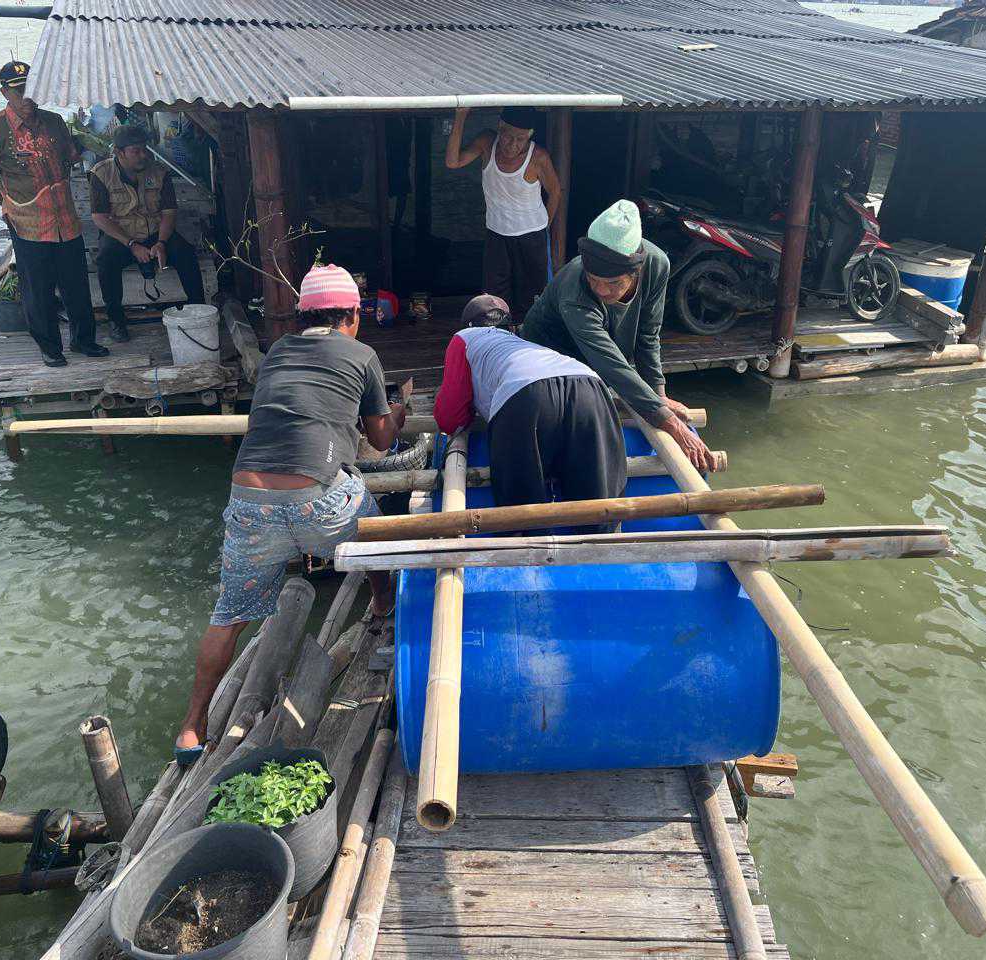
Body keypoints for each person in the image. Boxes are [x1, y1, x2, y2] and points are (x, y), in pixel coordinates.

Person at [175, 263, 412, 759]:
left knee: (228, 617)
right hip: (318, 500)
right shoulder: (362, 354)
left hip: (248, 501)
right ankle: (383, 604)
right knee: (374, 527)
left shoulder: (277, 353)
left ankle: (192, 729)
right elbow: (382, 439)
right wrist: (401, 410)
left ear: (304, 317)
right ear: (354, 314)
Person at [521, 199, 717, 471]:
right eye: (594, 280)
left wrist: (658, 395)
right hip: (548, 357)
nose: (601, 291)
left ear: (636, 271)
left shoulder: (656, 264)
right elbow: (608, 362)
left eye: (614, 283)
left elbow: (648, 335)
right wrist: (670, 423)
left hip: (600, 354)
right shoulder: (573, 288)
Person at [433, 295, 626, 530]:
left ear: (467, 325)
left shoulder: (463, 338)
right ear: (510, 326)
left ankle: (528, 558)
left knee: (521, 513)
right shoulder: (522, 343)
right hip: (590, 385)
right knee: (597, 504)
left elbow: (449, 417)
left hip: (525, 394)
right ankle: (605, 553)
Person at [0, 61, 108, 366]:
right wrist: (8, 204)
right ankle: (50, 348)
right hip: (28, 226)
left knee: (76, 285)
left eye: (32, 91)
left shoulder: (55, 123)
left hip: (66, 222)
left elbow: (72, 159)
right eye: (20, 92)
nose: (27, 98)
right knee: (38, 290)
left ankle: (84, 341)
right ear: (5, 92)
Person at [89, 125, 206, 342]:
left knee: (185, 253)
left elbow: (169, 212)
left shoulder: (159, 172)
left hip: (154, 232)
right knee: (105, 260)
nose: (143, 155)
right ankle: (116, 320)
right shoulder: (101, 174)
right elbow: (100, 217)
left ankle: (198, 311)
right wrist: (132, 244)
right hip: (121, 236)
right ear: (119, 152)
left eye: (145, 150)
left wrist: (161, 243)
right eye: (136, 151)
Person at [445, 106, 561, 321]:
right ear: (500, 128)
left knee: (532, 295)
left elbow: (555, 191)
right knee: (494, 297)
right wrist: (460, 116)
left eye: (520, 139)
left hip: (531, 235)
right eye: (509, 137)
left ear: (529, 137)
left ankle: (530, 341)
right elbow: (453, 162)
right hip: (497, 233)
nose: (513, 145)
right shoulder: (487, 143)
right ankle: (497, 339)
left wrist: (546, 225)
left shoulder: (538, 157)